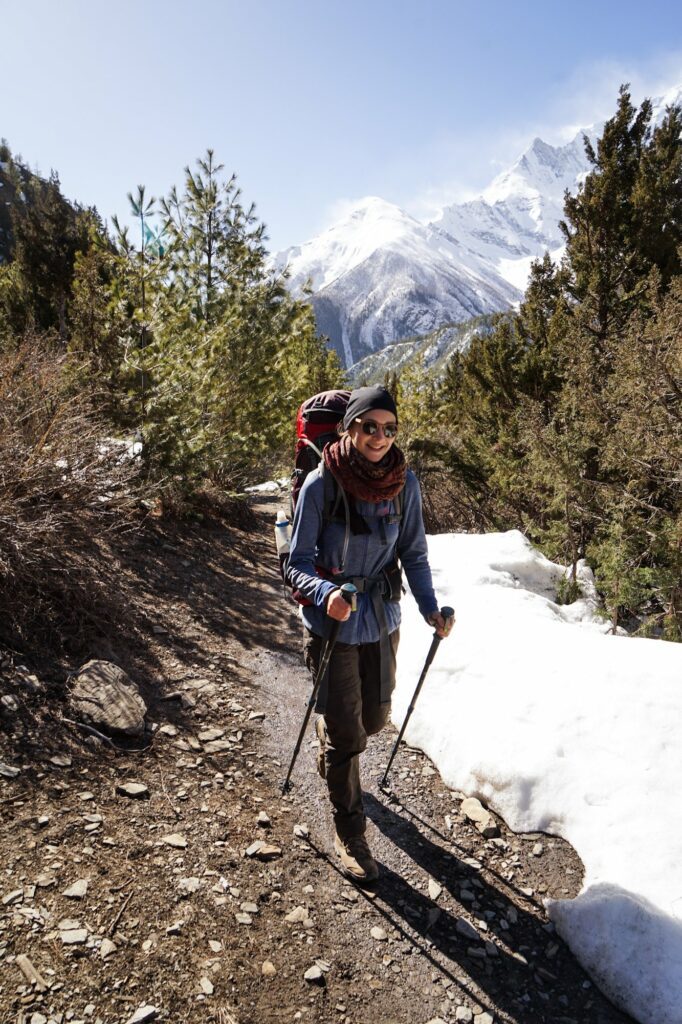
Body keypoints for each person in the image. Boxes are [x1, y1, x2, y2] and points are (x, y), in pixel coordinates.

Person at [287, 385, 453, 883]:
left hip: (381, 619)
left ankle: (333, 734)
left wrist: (429, 608)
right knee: (348, 737)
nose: (379, 437)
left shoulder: (405, 485)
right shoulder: (321, 486)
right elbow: (295, 566)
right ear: (349, 428)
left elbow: (414, 555)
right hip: (334, 624)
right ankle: (349, 830)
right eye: (369, 426)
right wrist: (325, 593)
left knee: (375, 720)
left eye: (389, 428)